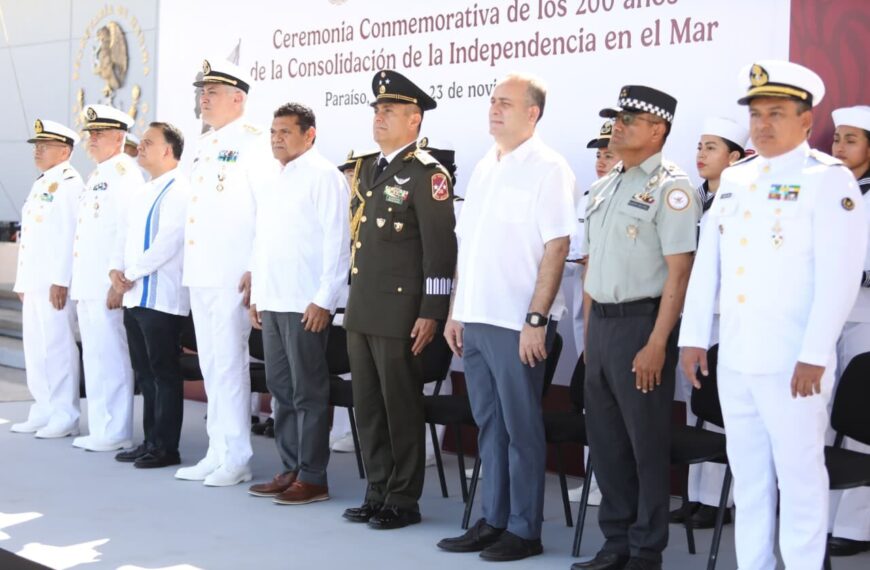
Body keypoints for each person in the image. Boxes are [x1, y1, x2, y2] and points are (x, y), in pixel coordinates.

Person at [679, 61, 867, 570]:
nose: (762, 124)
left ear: (807, 122)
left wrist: (815, 354)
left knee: (801, 479)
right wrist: (693, 337)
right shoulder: (737, 178)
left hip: (793, 365)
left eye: (777, 113)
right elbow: (708, 265)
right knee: (750, 478)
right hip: (737, 359)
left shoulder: (829, 181)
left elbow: (840, 278)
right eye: (757, 114)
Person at [437, 73, 577, 562]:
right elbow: (467, 247)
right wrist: (456, 312)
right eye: (492, 101)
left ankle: (524, 529)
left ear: (533, 113)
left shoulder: (549, 168)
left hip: (518, 323)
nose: (494, 110)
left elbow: (558, 245)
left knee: (521, 429)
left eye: (506, 103)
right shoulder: (483, 167)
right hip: (476, 318)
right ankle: (492, 519)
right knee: (489, 426)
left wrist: (537, 319)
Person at [576, 85, 701, 570]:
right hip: (603, 328)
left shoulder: (672, 188)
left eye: (629, 118)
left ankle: (646, 550)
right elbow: (592, 268)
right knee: (606, 443)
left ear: (657, 130)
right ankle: (616, 543)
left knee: (644, 444)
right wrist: (589, 333)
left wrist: (656, 343)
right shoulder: (606, 185)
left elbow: (680, 272)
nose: (618, 125)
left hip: (641, 327)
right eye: (616, 117)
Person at [341, 70, 457, 530]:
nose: (379, 117)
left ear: (415, 119)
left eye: (389, 111)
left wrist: (431, 312)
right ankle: (376, 490)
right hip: (363, 307)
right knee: (367, 406)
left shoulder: (428, 174)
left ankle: (402, 499)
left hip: (401, 313)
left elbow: (439, 251)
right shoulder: (369, 167)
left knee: (400, 407)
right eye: (376, 110)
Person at [176, 58, 279, 486]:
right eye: (203, 90)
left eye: (213, 91)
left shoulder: (255, 142)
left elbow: (267, 209)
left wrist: (256, 267)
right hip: (202, 271)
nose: (205, 97)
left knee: (229, 363)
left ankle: (236, 456)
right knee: (212, 365)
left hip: (231, 273)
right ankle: (217, 449)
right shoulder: (204, 144)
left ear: (238, 98)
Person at [246, 103, 349, 505]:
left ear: (310, 135)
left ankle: (314, 476)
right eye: (273, 131)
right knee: (281, 390)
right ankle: (290, 468)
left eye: (285, 132)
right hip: (274, 299)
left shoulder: (324, 177)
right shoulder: (273, 177)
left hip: (306, 303)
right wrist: (258, 296)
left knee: (308, 392)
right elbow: (263, 241)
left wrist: (324, 300)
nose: (276, 138)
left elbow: (337, 244)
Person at [670, 116, 747, 530]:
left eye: (712, 148)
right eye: (699, 146)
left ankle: (722, 500)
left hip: (725, 315)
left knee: (721, 409)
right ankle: (695, 496)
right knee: (693, 404)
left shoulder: (742, 199)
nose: (701, 154)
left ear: (734, 157)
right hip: (691, 315)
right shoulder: (691, 197)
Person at [110, 122, 190, 469]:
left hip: (161, 298)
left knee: (164, 372)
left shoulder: (180, 188)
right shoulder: (142, 190)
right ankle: (150, 440)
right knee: (144, 372)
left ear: (168, 151)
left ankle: (166, 447)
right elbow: (123, 236)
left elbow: (169, 242)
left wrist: (131, 273)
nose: (139, 147)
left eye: (148, 142)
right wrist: (115, 271)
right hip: (133, 296)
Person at [70, 104, 142, 450]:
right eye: (90, 134)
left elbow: (127, 229)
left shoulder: (123, 172)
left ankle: (115, 431)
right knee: (95, 356)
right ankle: (101, 426)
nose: (92, 140)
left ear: (119, 136)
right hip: (89, 281)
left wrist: (120, 279)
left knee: (111, 355)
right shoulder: (100, 173)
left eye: (99, 134)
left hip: (107, 283)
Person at [10, 120, 83, 438]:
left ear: (65, 150)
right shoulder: (41, 183)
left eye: (45, 146)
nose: (37, 151)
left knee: (58, 348)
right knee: (36, 349)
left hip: (54, 282)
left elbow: (70, 236)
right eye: (36, 146)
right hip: (35, 281)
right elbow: (31, 238)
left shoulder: (69, 184)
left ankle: (64, 414)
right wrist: (22, 281)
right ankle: (43, 408)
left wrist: (61, 280)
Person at [566, 119, 619, 506]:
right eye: (598, 155)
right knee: (591, 393)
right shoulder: (588, 197)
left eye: (609, 153)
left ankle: (611, 480)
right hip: (580, 301)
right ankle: (593, 476)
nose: (601, 161)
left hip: (615, 310)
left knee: (613, 399)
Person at [827, 104, 870, 557]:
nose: (839, 146)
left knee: (859, 419)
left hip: (865, 315)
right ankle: (816, 515)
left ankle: (855, 525)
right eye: (837, 138)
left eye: (851, 139)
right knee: (817, 413)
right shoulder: (824, 189)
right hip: (824, 315)